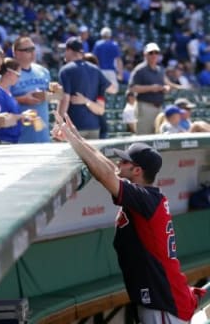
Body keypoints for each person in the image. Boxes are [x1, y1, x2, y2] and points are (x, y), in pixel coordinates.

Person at [52, 113, 205, 324]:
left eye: (124, 161)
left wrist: (72, 139)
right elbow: (110, 169)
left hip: (164, 303)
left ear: (137, 170)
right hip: (162, 297)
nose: (118, 163)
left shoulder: (144, 199)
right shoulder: (145, 195)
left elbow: (106, 175)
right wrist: (77, 138)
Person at [58, 37, 116, 139]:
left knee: (71, 155)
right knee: (91, 155)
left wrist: (59, 123)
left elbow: (65, 100)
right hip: (94, 127)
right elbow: (113, 89)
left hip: (74, 126)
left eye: (65, 50)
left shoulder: (65, 70)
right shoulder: (95, 69)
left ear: (69, 50)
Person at [129, 42, 182, 135]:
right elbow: (132, 88)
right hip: (145, 106)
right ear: (145, 54)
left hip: (159, 107)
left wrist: (167, 88)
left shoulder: (160, 70)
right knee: (144, 135)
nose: (154, 55)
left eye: (156, 52)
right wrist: (151, 88)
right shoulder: (140, 70)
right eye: (151, 53)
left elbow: (167, 83)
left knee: (159, 136)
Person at [10, 36, 51, 143]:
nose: (32, 52)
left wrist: (53, 94)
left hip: (43, 134)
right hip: (20, 137)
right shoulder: (9, 74)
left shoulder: (43, 71)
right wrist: (22, 99)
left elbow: (52, 95)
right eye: (27, 50)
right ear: (16, 53)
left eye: (33, 49)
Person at [0, 57, 22, 144]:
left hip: (11, 141)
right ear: (8, 73)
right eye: (17, 75)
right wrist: (22, 116)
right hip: (3, 141)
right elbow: (2, 120)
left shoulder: (7, 92)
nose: (18, 78)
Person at [92, 27, 123, 92]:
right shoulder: (114, 45)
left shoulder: (98, 44)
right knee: (114, 91)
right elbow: (118, 60)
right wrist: (120, 73)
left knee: (99, 90)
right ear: (110, 35)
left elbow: (93, 58)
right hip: (111, 71)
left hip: (100, 70)